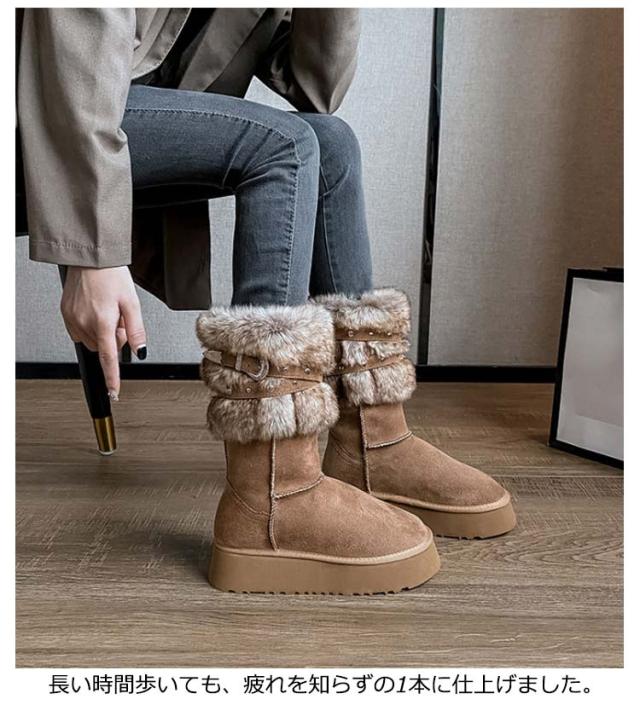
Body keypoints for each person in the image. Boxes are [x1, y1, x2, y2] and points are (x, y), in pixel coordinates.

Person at [18, 8, 515, 596]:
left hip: (123, 106)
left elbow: (315, 90)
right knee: (285, 145)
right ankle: (270, 490)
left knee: (331, 141)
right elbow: (71, 65)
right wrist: (92, 255)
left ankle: (370, 439)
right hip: (49, 108)